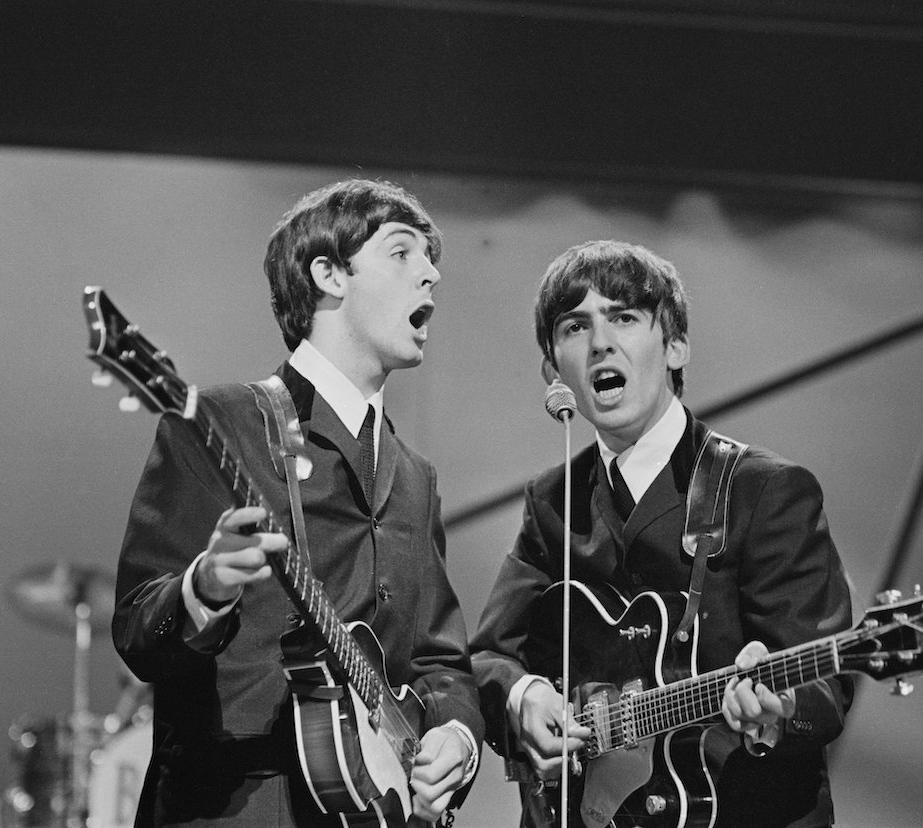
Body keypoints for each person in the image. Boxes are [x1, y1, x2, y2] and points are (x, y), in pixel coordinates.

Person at [113, 179, 484, 827]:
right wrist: (204, 589)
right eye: (403, 254)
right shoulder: (222, 422)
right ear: (329, 274)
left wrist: (455, 736)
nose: (429, 276)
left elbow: (439, 661)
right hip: (233, 806)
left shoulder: (415, 476)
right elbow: (140, 630)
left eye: (432, 262)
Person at [471, 240, 854, 827]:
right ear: (554, 370)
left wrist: (776, 709)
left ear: (675, 346)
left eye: (623, 317)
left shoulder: (765, 491)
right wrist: (526, 700)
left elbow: (825, 684)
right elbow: (492, 656)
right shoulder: (551, 501)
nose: (600, 341)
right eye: (575, 327)